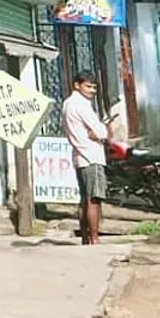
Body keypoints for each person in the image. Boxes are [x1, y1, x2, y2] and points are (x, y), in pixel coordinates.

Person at [62, 72, 108, 245]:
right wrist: (99, 134)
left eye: (94, 87)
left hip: (79, 156)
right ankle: (94, 238)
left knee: (84, 200)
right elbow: (101, 132)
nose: (92, 90)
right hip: (91, 155)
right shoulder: (81, 104)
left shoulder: (67, 104)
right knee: (93, 200)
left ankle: (85, 238)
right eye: (88, 86)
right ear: (77, 85)